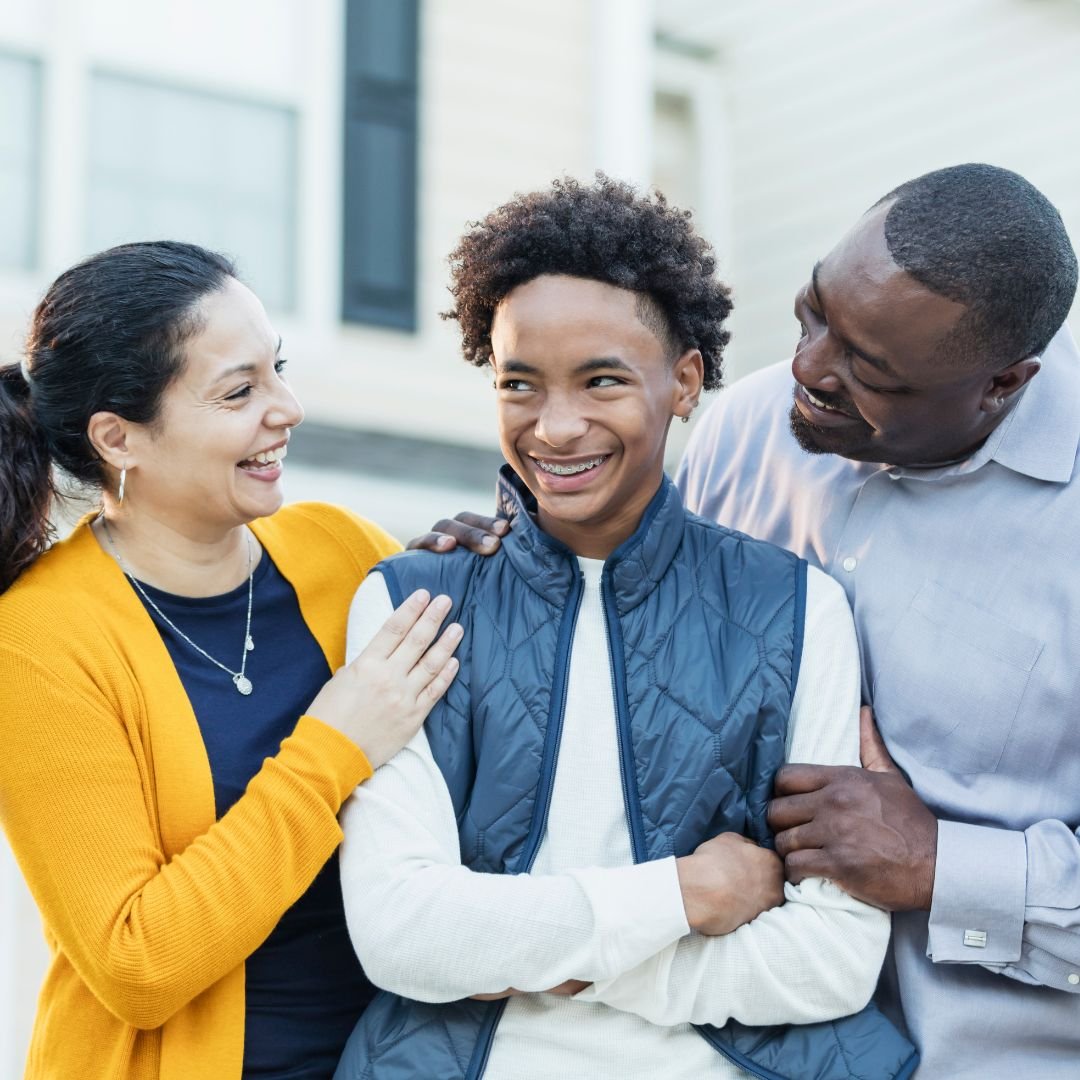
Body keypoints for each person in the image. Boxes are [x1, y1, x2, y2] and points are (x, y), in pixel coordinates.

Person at [428, 164, 1080, 1078]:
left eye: (870, 368)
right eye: (816, 313)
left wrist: (942, 865)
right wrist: (514, 560)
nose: (809, 370)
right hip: (713, 1040)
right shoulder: (744, 429)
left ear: (1001, 383)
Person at [333, 176, 916, 1080]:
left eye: (602, 380)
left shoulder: (797, 609)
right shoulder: (413, 604)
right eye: (518, 384)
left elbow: (832, 964)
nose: (556, 428)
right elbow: (402, 939)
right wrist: (686, 895)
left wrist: (540, 959)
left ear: (684, 382)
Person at [0, 241, 462, 1080]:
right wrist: (331, 750)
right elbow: (137, 963)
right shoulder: (37, 643)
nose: (285, 407)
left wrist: (482, 588)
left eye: (276, 370)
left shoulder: (340, 548)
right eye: (239, 391)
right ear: (120, 437)